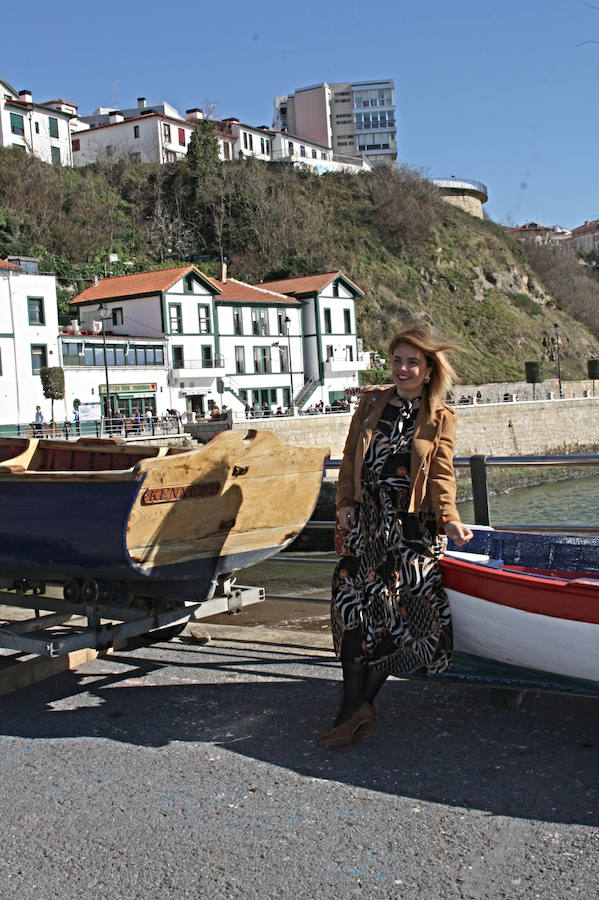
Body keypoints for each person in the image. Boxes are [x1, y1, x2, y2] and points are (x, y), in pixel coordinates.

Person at [318, 321, 473, 750]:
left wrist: (450, 518)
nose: (403, 369)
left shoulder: (440, 417)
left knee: (393, 617)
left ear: (428, 368)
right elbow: (351, 457)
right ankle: (353, 711)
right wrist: (344, 504)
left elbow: (441, 475)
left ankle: (353, 713)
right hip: (366, 526)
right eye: (397, 361)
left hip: (409, 530)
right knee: (351, 610)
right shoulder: (371, 403)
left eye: (413, 363)